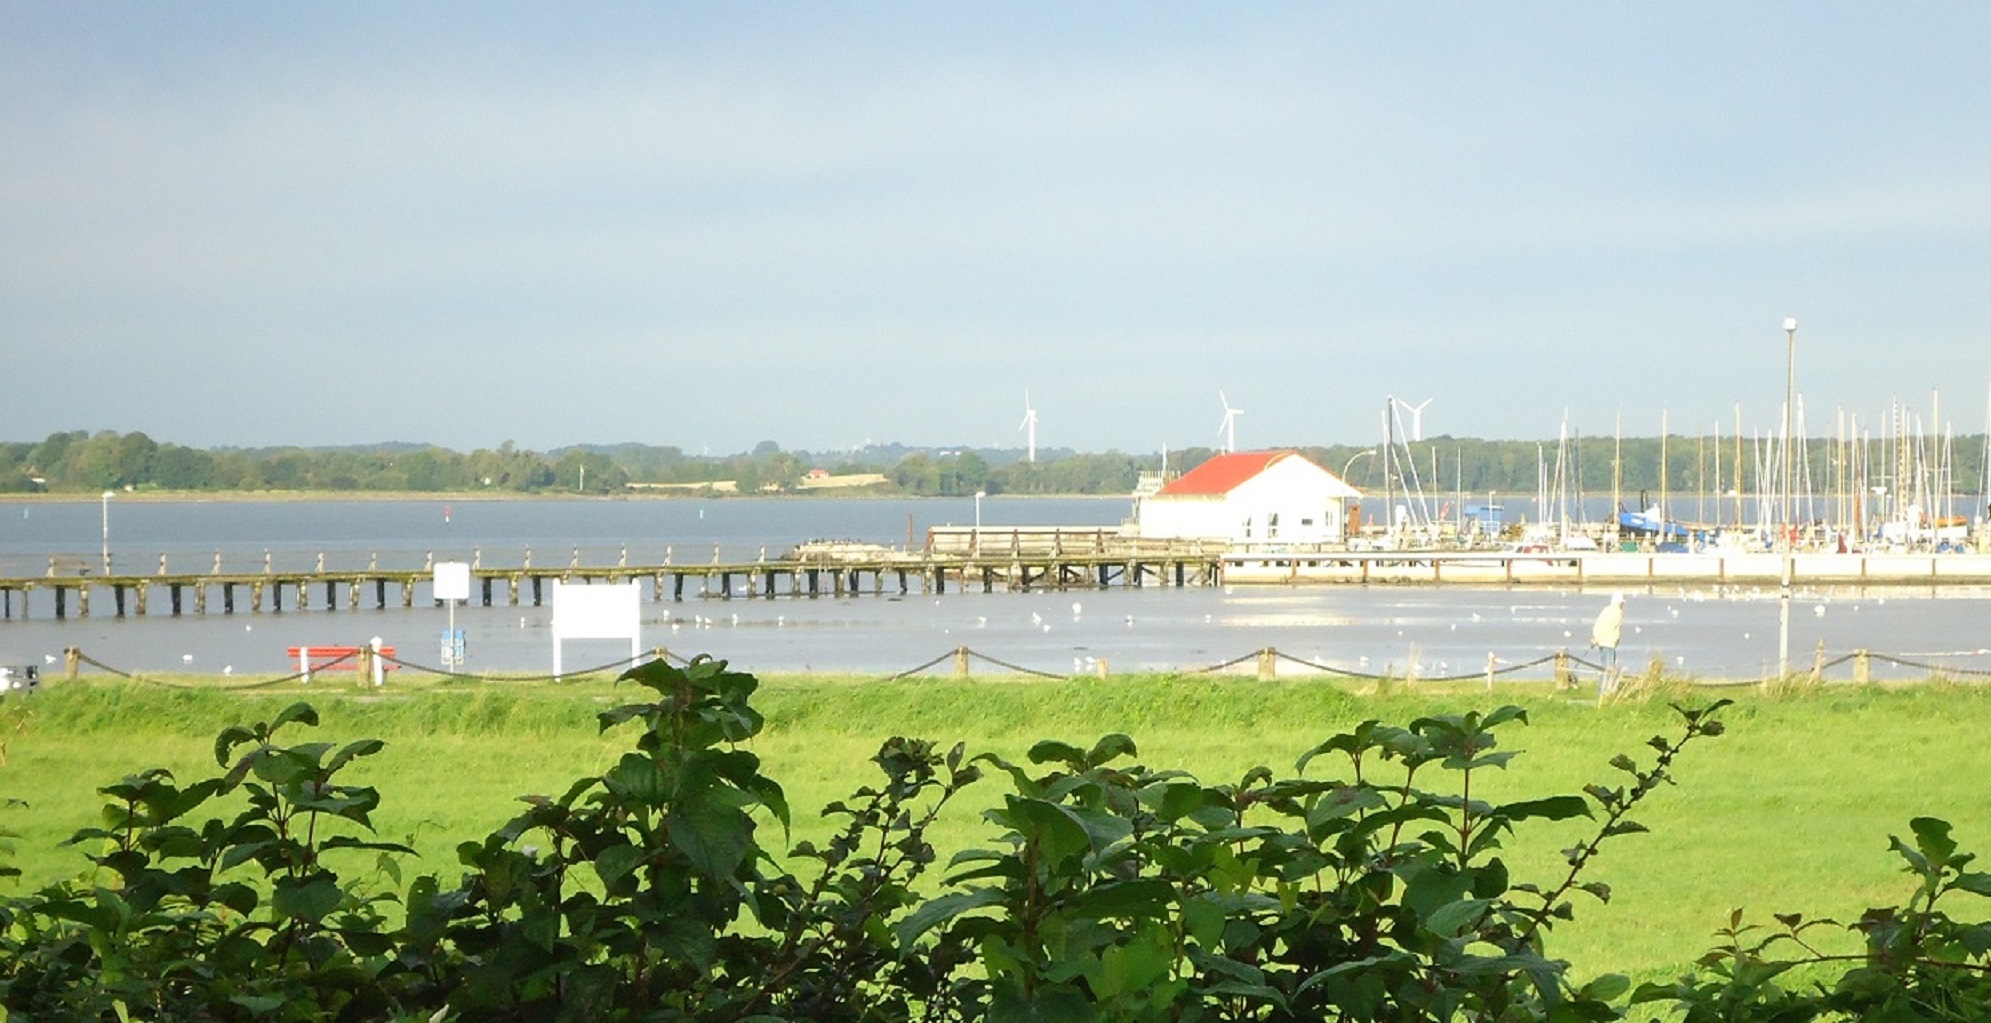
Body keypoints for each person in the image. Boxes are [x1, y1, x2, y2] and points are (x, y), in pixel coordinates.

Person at [1590, 593, 1625, 693]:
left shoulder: (1606, 610)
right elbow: (1609, 628)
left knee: (1605, 667)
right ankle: (1605, 692)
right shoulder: (1617, 612)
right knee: (1609, 669)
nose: (1623, 605)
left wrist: (1595, 638)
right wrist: (1597, 639)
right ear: (1619, 602)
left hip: (1602, 643)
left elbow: (1598, 624)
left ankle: (1603, 690)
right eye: (1622, 603)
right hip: (1608, 644)